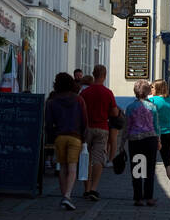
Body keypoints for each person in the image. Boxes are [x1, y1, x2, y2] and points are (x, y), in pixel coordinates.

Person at [45, 72, 89, 210]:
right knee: (72, 168)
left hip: (59, 137)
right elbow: (84, 120)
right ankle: (68, 196)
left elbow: (49, 122)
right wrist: (84, 138)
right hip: (75, 137)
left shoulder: (52, 101)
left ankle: (64, 195)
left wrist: (51, 137)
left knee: (62, 167)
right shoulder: (78, 100)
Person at [79, 64, 119, 202]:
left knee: (86, 158)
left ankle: (86, 188)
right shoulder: (107, 92)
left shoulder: (84, 92)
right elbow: (114, 112)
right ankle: (94, 189)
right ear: (104, 75)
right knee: (98, 159)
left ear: (93, 74)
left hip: (87, 128)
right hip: (102, 128)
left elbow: (80, 109)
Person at [125, 81, 160, 207]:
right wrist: (158, 141)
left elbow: (127, 126)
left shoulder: (130, 108)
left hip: (135, 140)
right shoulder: (152, 107)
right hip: (150, 139)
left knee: (137, 169)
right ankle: (149, 197)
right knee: (150, 169)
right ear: (147, 92)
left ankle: (138, 198)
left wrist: (122, 142)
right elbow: (156, 126)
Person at [149, 80, 170, 203]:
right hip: (168, 134)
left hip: (153, 134)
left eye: (152, 87)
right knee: (168, 161)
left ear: (156, 88)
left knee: (150, 162)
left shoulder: (151, 101)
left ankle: (148, 192)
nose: (151, 89)